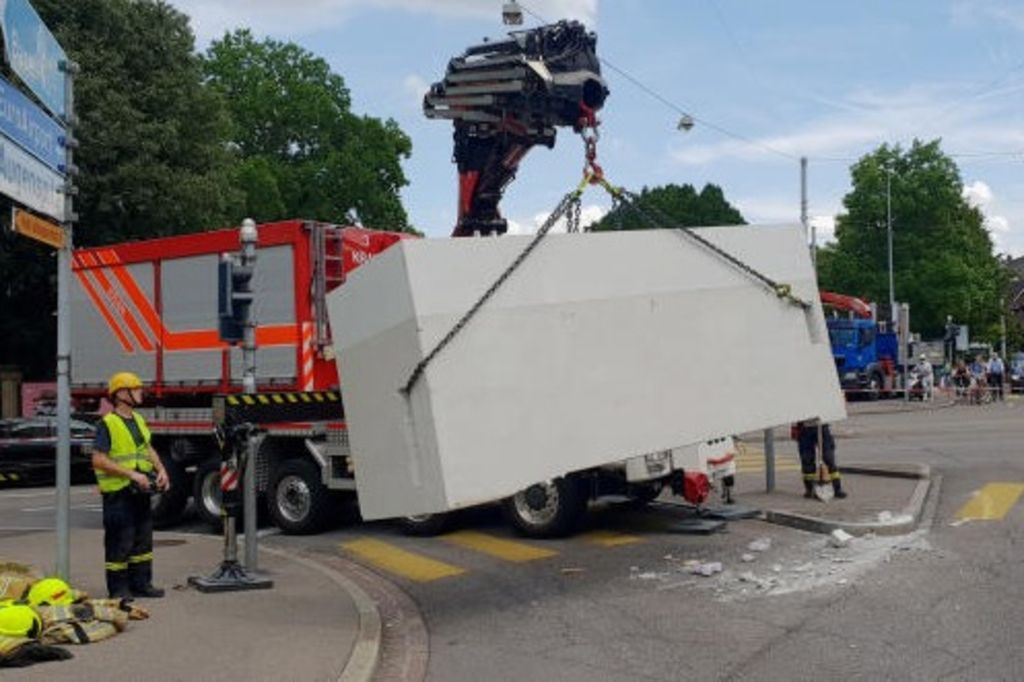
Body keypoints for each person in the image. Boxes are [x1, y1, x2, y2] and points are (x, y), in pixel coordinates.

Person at [91, 372, 169, 599]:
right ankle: (118, 590)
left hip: (139, 491)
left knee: (142, 540)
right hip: (118, 493)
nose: (140, 392)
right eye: (136, 388)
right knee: (120, 542)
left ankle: (141, 584)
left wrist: (161, 470)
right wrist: (132, 475)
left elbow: (147, 449)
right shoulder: (107, 423)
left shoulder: (138, 419)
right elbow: (98, 460)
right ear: (122, 394)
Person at [795, 419, 846, 499]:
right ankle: (810, 490)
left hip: (822, 426)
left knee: (828, 458)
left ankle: (837, 489)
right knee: (807, 460)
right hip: (804, 429)